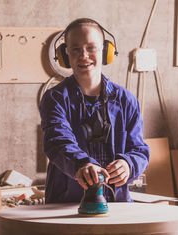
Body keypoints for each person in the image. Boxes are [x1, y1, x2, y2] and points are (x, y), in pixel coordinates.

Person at [40, 18, 149, 203]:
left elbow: (139, 149)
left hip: (117, 206)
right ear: (65, 55)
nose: (84, 55)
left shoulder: (127, 101)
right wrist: (81, 164)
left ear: (106, 51)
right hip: (66, 206)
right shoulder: (54, 98)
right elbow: (57, 140)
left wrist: (128, 164)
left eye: (91, 47)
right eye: (75, 49)